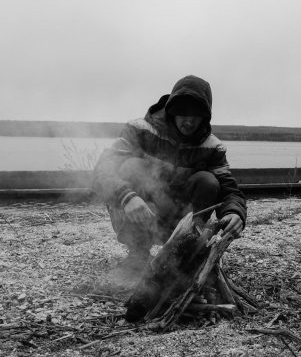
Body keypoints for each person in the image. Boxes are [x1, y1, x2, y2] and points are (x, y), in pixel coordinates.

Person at [93, 75, 247, 272]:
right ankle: (138, 255)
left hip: (179, 222)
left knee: (208, 181)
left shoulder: (212, 147)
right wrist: (126, 197)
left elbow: (229, 189)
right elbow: (102, 170)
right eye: (183, 112)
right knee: (132, 167)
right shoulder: (139, 129)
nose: (189, 121)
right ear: (172, 109)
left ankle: (186, 252)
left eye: (197, 114)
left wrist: (235, 212)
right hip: (137, 213)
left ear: (205, 115)